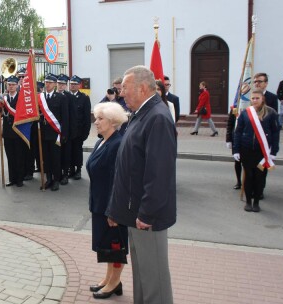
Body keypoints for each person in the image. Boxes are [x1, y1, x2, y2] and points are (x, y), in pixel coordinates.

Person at [107, 66, 176, 304]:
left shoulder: (157, 117)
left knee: (154, 280)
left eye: (125, 88)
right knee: (143, 277)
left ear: (143, 88)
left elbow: (159, 174)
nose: (121, 93)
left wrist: (147, 213)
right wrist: (117, 209)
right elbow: (129, 166)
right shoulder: (141, 114)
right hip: (134, 212)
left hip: (148, 218)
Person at [86, 102, 128, 299]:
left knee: (115, 246)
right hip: (99, 201)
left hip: (111, 205)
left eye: (100, 119)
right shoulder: (102, 141)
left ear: (113, 122)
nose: (96, 122)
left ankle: (115, 282)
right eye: (96, 118)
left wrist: (114, 210)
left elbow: (118, 181)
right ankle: (109, 278)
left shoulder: (117, 144)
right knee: (106, 244)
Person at [233, 89, 279, 212]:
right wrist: (236, 150)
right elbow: (238, 132)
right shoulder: (245, 113)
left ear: (262, 99)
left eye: (257, 98)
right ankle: (248, 201)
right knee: (248, 176)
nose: (254, 100)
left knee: (259, 177)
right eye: (252, 98)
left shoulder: (271, 112)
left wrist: (274, 151)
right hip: (247, 150)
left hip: (262, 152)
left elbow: (275, 133)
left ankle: (257, 202)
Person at [40, 74, 69, 191]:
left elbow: (65, 117)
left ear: (55, 84)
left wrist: (65, 134)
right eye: (46, 82)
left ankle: (56, 179)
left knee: (55, 157)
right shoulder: (41, 97)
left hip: (56, 133)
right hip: (43, 132)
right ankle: (49, 179)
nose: (48, 85)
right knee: (46, 158)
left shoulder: (61, 98)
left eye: (50, 83)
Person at [2, 75, 28, 187]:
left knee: (19, 156)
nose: (11, 87)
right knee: (10, 156)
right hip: (7, 132)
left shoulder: (21, 98)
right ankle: (12, 178)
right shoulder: (4, 98)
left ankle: (19, 179)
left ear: (17, 85)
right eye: (9, 85)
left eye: (13, 85)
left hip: (18, 131)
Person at [68, 75, 92, 180]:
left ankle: (78, 170)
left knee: (77, 150)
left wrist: (85, 132)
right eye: (71, 84)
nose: (72, 86)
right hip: (69, 130)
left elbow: (87, 117)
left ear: (79, 85)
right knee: (69, 150)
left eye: (75, 84)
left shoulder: (84, 98)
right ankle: (71, 169)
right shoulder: (66, 96)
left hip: (78, 130)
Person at [56, 74, 76, 185]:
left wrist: (70, 132)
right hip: (55, 130)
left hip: (65, 130)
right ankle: (57, 174)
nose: (60, 86)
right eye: (59, 83)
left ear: (66, 85)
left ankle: (65, 175)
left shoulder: (70, 97)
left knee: (66, 154)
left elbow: (72, 116)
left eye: (63, 84)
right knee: (56, 154)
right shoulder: (53, 95)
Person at [225, 106, 242, 190]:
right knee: (237, 162)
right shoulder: (235, 108)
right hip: (236, 138)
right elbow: (230, 124)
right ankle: (239, 181)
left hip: (248, 140)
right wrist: (228, 139)